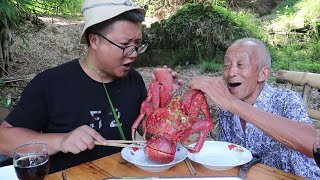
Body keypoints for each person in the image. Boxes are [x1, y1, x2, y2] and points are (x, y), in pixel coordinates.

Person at [0, 0, 181, 173]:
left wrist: (164, 105)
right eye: (125, 45)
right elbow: (4, 139)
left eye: (137, 44)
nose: (134, 54)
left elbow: (148, 134)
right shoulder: (51, 84)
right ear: (94, 40)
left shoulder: (133, 80)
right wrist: (61, 140)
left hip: (122, 174)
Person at [189, 38, 320, 179]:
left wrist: (232, 103)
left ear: (262, 74)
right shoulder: (226, 111)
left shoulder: (285, 99)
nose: (231, 72)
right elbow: (227, 155)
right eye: (227, 65)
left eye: (241, 65)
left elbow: (310, 142)